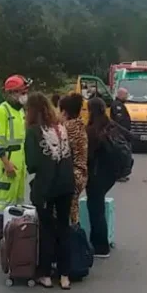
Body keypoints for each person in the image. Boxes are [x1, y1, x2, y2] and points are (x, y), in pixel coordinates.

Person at [24, 92, 75, 290]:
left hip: (46, 187)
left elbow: (32, 163)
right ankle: (64, 275)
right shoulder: (61, 128)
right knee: (64, 227)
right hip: (66, 184)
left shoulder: (34, 132)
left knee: (46, 229)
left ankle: (45, 273)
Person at [0, 75, 29, 249]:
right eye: (23, 91)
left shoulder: (20, 110)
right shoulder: (2, 111)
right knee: (4, 201)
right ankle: (0, 237)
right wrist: (6, 163)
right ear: (13, 93)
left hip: (20, 161)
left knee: (18, 200)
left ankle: (14, 234)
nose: (25, 95)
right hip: (8, 161)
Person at [86, 97, 118, 258]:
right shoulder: (110, 125)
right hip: (110, 173)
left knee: (95, 209)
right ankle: (100, 242)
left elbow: (89, 156)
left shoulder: (92, 130)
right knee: (98, 208)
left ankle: (100, 246)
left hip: (96, 174)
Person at [58, 93, 88, 225]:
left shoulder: (67, 128)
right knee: (73, 208)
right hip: (81, 173)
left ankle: (73, 238)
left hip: (72, 174)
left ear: (64, 111)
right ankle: (75, 234)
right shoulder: (80, 124)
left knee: (68, 211)